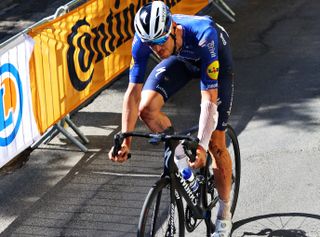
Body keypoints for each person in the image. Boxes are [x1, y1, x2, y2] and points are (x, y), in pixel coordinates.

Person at [109, 1, 235, 236]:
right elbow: (133, 93)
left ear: (173, 29)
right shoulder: (145, 39)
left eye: (159, 43)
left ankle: (224, 213)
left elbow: (208, 99)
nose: (156, 50)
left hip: (214, 59)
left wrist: (202, 145)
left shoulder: (203, 33)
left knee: (216, 144)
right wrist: (126, 140)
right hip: (182, 60)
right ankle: (182, 165)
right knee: (147, 109)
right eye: (151, 45)